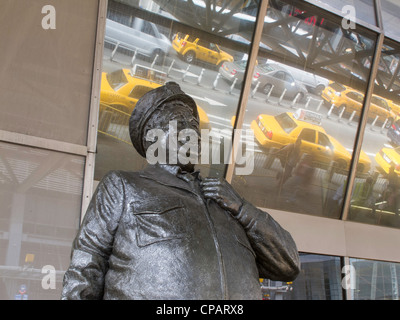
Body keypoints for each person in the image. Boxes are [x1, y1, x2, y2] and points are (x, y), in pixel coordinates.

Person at [61, 82, 300, 300]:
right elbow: (85, 268)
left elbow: (289, 264)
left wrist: (241, 208)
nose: (192, 133)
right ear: (151, 137)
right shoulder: (122, 186)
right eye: (179, 125)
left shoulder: (225, 202)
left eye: (194, 126)